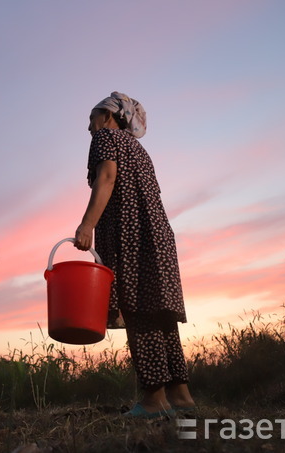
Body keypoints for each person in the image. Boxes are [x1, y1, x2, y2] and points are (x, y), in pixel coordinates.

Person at [74, 91, 195, 418]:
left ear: (108, 116)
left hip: (129, 234)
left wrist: (87, 226)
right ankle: (180, 397)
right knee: (161, 313)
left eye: (91, 119)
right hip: (157, 233)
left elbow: (107, 177)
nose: (88, 127)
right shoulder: (139, 149)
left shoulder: (106, 138)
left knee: (138, 311)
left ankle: (154, 401)